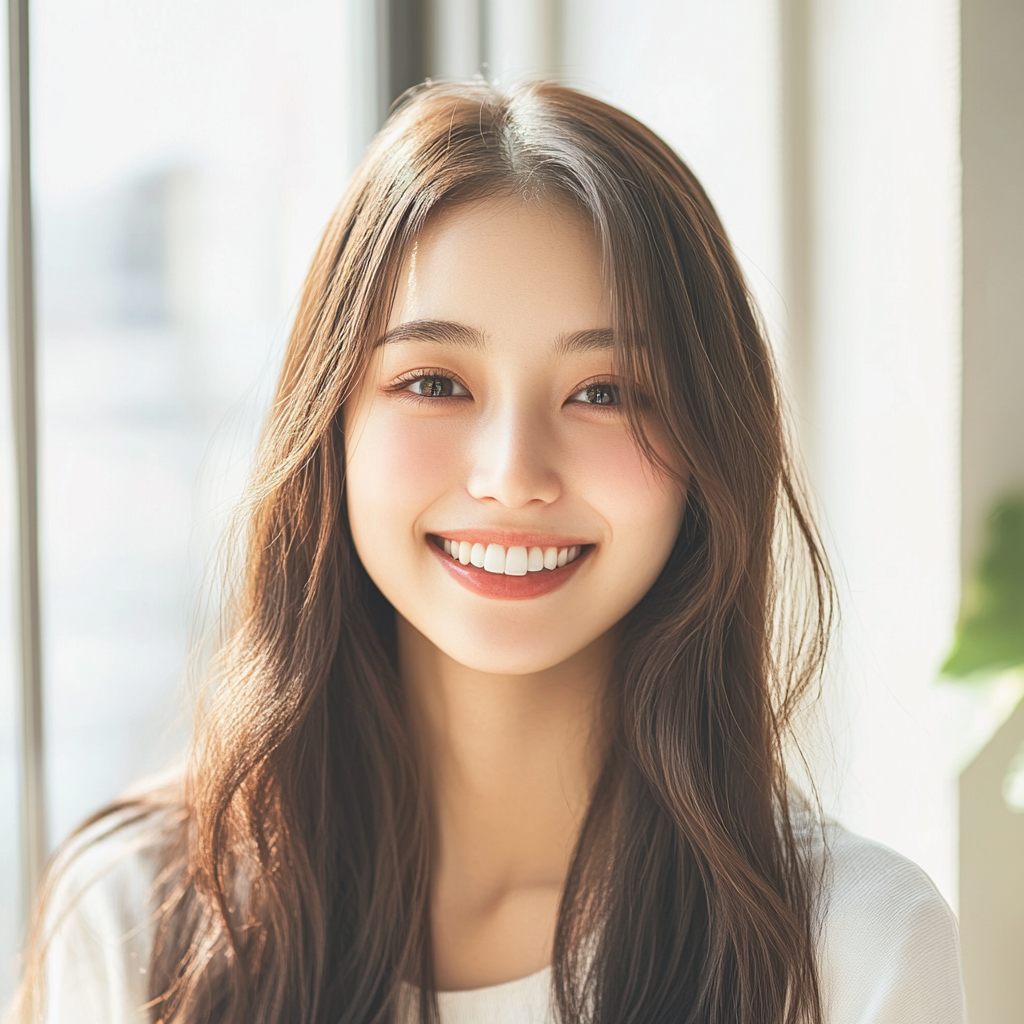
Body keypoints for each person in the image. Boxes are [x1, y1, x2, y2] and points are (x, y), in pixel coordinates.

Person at [12, 80, 965, 1024]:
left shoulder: (853, 950)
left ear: (710, 446)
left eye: (606, 392)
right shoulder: (144, 918)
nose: (513, 475)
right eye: (434, 381)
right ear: (330, 422)